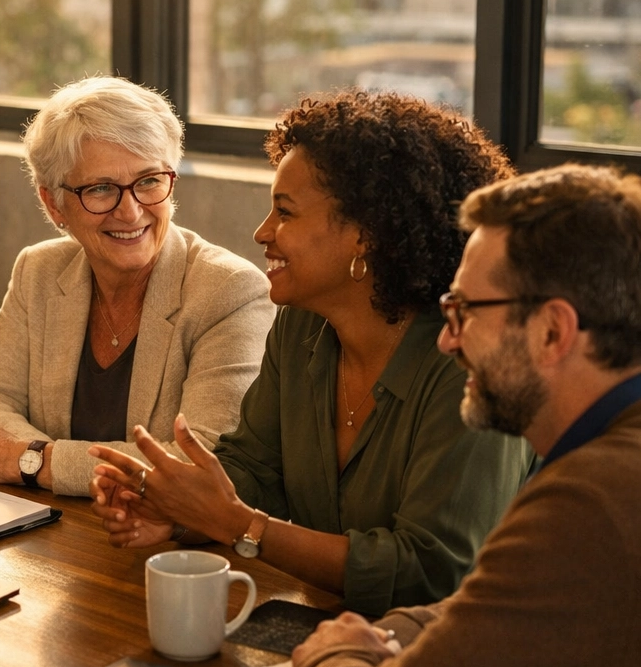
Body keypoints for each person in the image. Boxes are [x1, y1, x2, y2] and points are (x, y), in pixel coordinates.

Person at [286, 164, 641, 667]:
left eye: (464, 311)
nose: (448, 342)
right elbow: (496, 607)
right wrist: (410, 638)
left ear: (552, 330)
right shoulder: (607, 458)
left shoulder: (595, 503)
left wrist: (331, 653)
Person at [90, 91, 533, 614]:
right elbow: (256, 467)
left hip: (455, 656)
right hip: (331, 632)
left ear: (365, 235)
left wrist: (238, 525)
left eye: (285, 212)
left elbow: (430, 572)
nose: (262, 233)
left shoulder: (468, 360)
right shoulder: (302, 326)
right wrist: (179, 510)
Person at [0, 76, 273, 495]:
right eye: (100, 189)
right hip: (42, 531)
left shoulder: (229, 291)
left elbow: (203, 461)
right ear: (53, 203)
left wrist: (30, 460)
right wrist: (38, 461)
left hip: (164, 550)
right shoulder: (39, 270)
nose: (130, 212)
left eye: (149, 181)